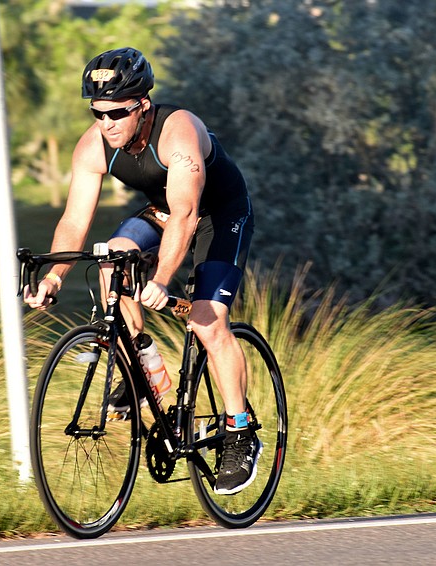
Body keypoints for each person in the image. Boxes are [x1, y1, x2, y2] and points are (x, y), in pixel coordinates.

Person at [23, 47, 259, 495]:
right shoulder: (94, 144)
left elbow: (187, 218)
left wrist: (160, 280)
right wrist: (54, 277)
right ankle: (142, 366)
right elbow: (75, 220)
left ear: (142, 105)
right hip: (162, 211)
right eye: (97, 113)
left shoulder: (179, 133)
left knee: (207, 321)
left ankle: (239, 431)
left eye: (115, 113)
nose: (106, 123)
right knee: (112, 257)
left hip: (217, 214)